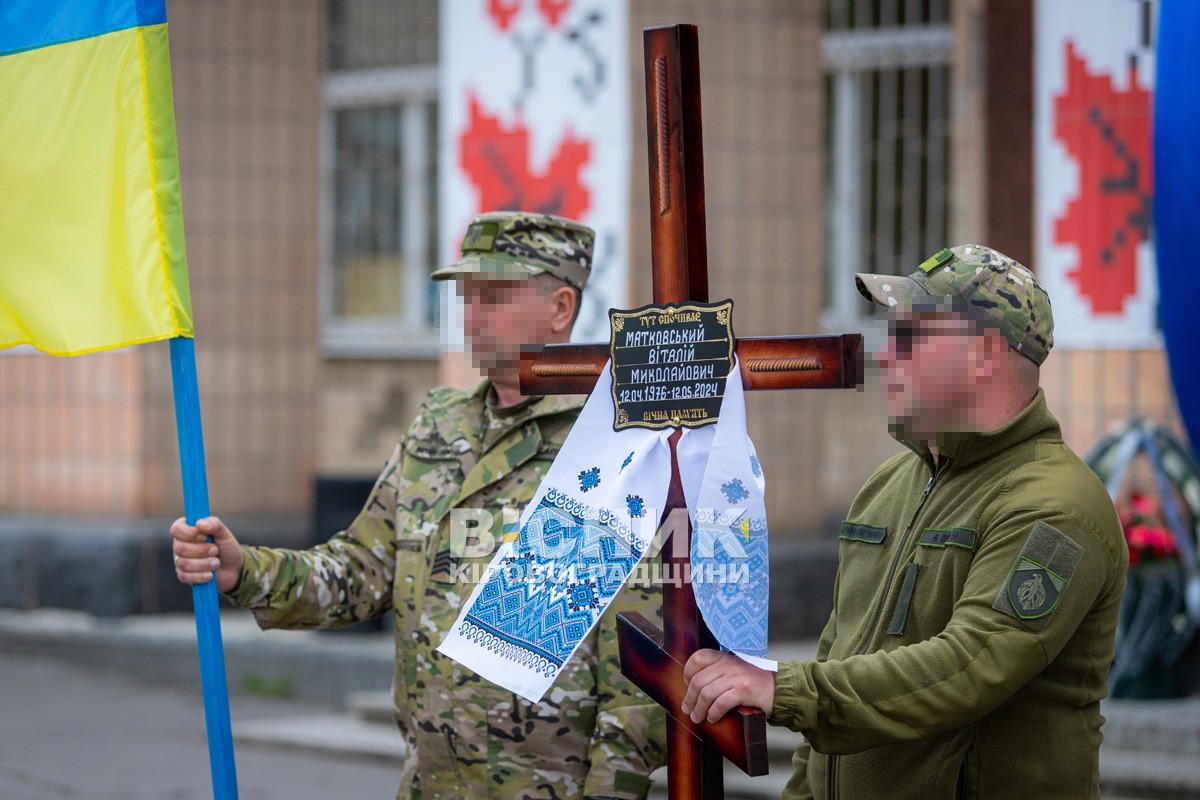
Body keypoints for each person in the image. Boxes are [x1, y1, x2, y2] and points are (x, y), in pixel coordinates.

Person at [171, 211, 665, 800]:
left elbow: (638, 677)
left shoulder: (610, 445)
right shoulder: (440, 426)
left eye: (495, 298)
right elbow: (362, 570)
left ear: (561, 308)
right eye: (466, 297)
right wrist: (244, 572)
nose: (472, 318)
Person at [679, 244, 1127, 799]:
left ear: (983, 355)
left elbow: (971, 665)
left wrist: (784, 688)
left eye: (911, 338)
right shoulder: (890, 483)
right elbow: (837, 654)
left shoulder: (1058, 504)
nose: (887, 357)